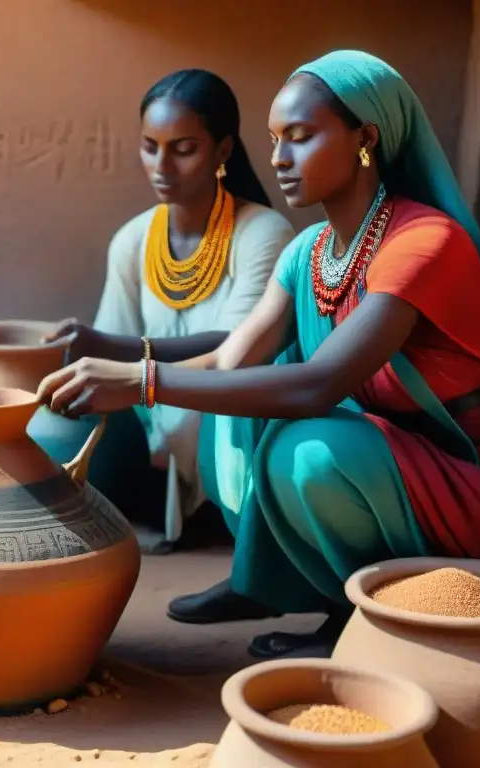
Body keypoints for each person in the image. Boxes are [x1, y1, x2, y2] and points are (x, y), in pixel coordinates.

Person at [38, 50, 480, 658]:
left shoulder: (424, 242)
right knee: (239, 400)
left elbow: (317, 385)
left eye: (300, 137)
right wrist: (124, 373)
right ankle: (266, 580)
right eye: (275, 139)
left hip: (471, 482)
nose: (277, 158)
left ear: (365, 138)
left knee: (306, 450)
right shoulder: (309, 251)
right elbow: (230, 361)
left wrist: (144, 381)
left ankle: (352, 620)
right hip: (387, 463)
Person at [46, 69, 295, 550]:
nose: (162, 165)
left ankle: (222, 515)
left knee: (221, 412)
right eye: (149, 146)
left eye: (183, 148)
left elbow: (236, 348)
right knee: (57, 423)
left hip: (226, 424)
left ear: (223, 151)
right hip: (150, 431)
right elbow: (107, 360)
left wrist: (112, 349)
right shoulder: (134, 239)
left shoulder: (263, 233)